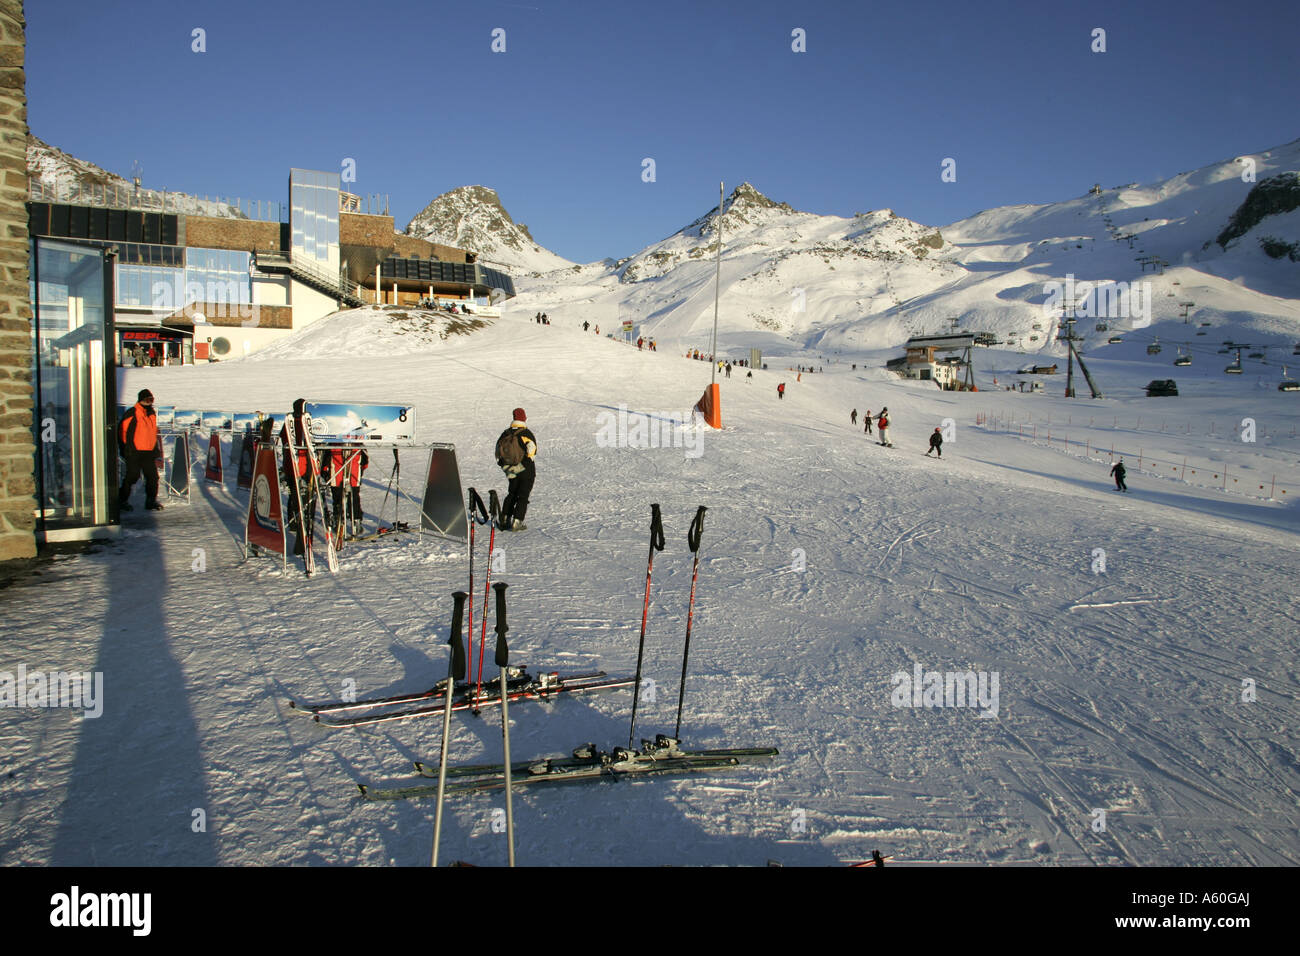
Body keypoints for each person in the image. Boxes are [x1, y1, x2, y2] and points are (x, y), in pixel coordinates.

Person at [118, 388, 162, 511]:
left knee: (153, 477)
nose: (150, 402)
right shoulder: (132, 413)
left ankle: (151, 501)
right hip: (134, 452)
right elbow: (122, 431)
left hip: (148, 452)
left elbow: (152, 433)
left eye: (152, 399)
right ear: (141, 400)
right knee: (132, 476)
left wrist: (155, 448)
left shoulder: (152, 413)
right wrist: (125, 448)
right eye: (148, 399)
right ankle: (122, 500)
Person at [496, 407, 537, 531]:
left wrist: (505, 466)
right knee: (523, 495)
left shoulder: (506, 433)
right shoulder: (526, 433)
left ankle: (504, 518)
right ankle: (517, 521)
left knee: (512, 493)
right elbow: (532, 450)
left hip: (511, 470)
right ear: (524, 418)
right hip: (526, 470)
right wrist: (526, 463)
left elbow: (498, 452)